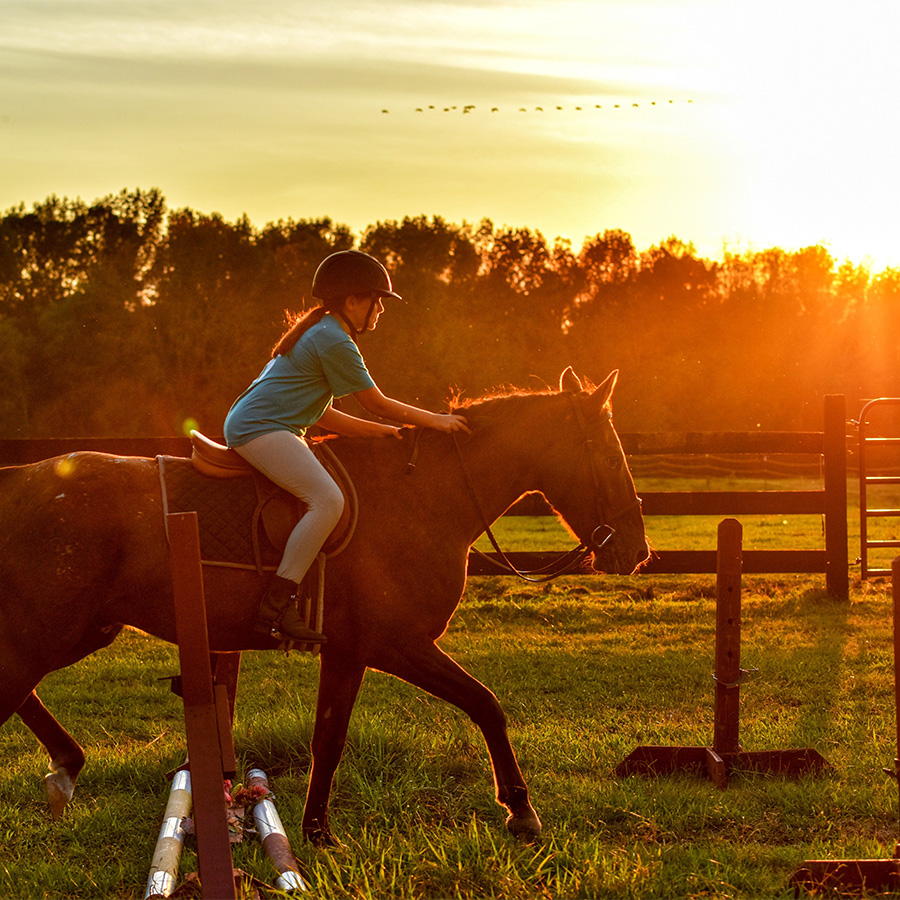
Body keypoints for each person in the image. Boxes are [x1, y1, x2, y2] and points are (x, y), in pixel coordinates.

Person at [223, 249, 470, 643]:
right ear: (353, 300)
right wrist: (436, 420)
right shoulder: (333, 339)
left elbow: (323, 415)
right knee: (328, 501)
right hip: (261, 429)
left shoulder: (320, 330)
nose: (381, 311)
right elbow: (377, 402)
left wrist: (380, 433)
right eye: (378, 301)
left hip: (266, 426)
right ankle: (276, 606)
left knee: (326, 497)